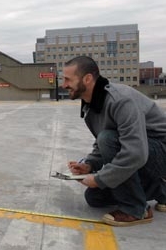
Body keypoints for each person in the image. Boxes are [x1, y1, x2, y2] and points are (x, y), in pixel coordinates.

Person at [63, 56, 166, 226]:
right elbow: (104, 140)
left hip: (160, 151)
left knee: (107, 142)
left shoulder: (120, 100)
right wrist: (90, 164)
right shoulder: (92, 104)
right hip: (145, 153)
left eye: (67, 79)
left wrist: (99, 179)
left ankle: (136, 209)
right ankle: (161, 190)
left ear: (87, 79)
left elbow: (135, 153)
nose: (64, 85)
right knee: (94, 197)